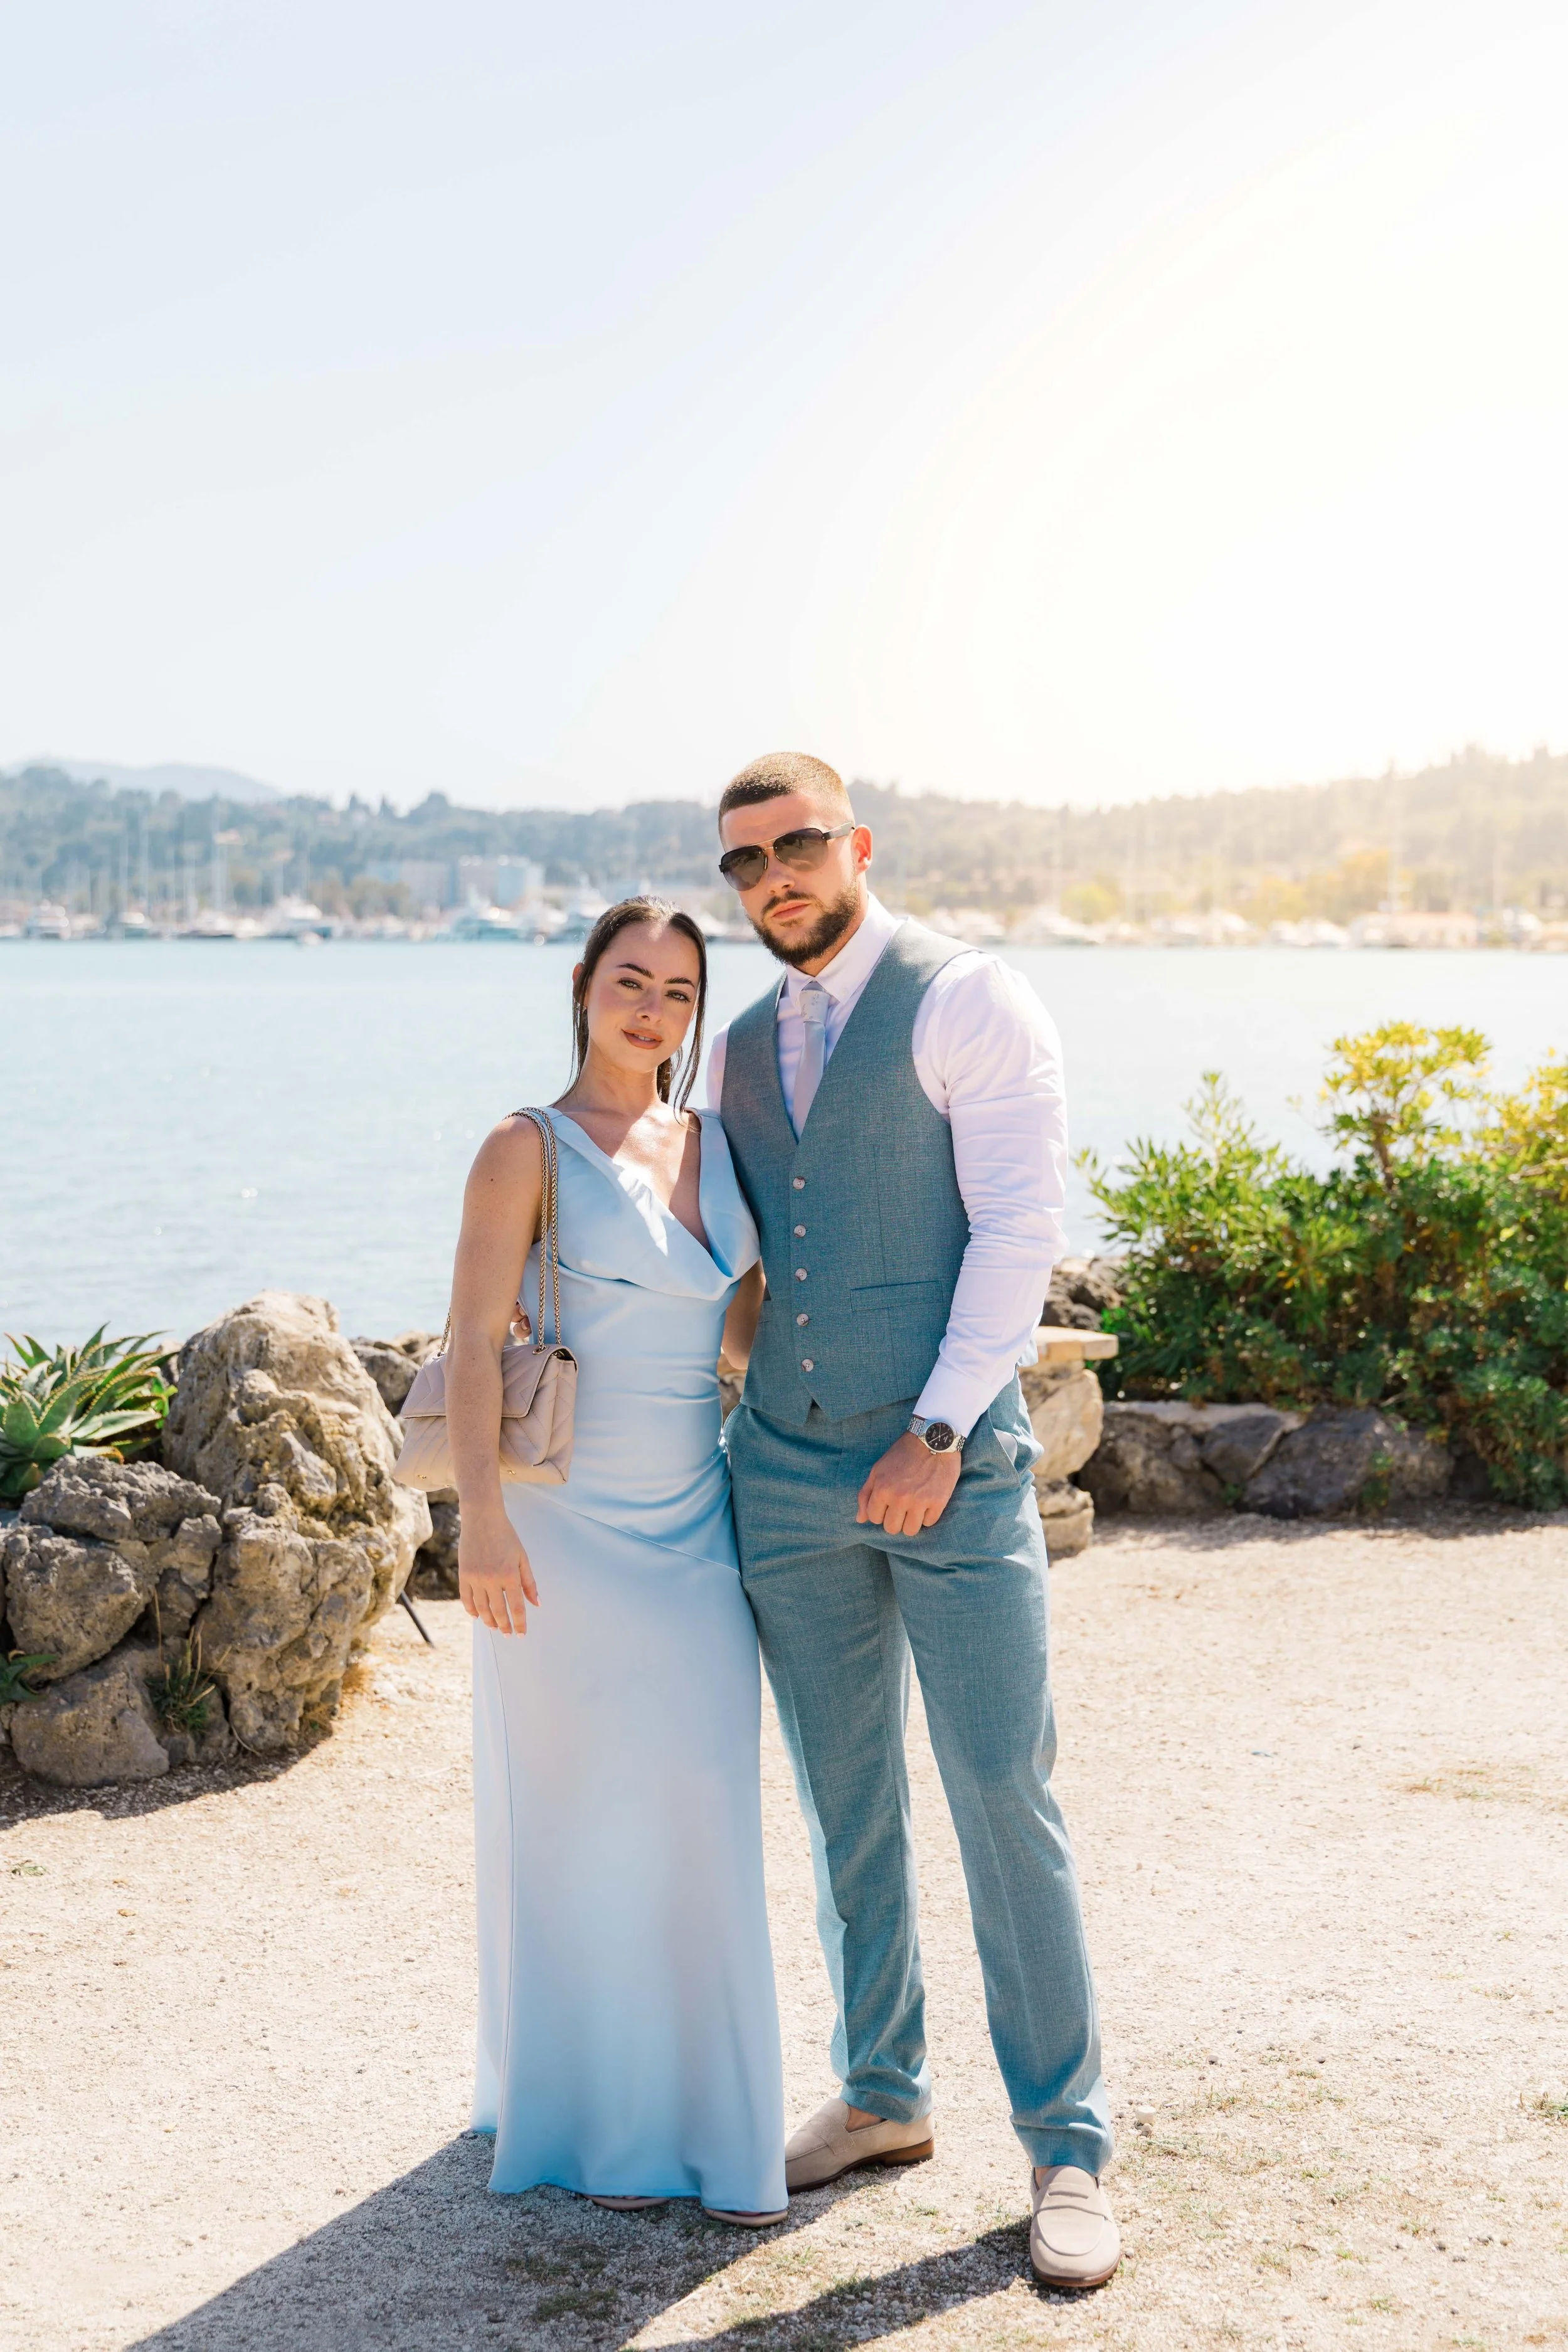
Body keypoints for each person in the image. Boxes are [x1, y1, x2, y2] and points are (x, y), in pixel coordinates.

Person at [708, 753, 1121, 2292]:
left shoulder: (967, 998)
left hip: (951, 1469)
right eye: (743, 863)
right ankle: (881, 2093)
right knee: (841, 1797)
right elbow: (746, 1262)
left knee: (1001, 1794)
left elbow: (1019, 1230)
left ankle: (1067, 2146)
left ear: (854, 844)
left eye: (795, 845)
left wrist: (939, 1429)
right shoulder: (741, 1048)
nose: (772, 880)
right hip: (787, 1476)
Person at [447, 896, 786, 2225]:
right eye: (629, 981)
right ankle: (594, 2126)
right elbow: (472, 1344)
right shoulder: (521, 1146)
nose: (652, 1010)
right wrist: (479, 1520)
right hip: (563, 1536)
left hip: (696, 1527)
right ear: (583, 987)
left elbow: (742, 1337)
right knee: (580, 1817)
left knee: (701, 1808)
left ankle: (712, 2129)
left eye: (679, 994)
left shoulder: (715, 1145)